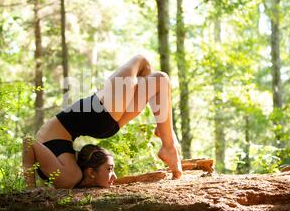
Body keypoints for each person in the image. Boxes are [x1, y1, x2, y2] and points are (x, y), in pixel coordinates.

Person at [22, 54, 183, 189]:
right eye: (109, 169)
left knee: (158, 79)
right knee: (146, 65)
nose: (114, 175)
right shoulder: (71, 177)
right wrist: (30, 188)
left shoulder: (71, 176)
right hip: (97, 116)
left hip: (100, 121)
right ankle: (167, 140)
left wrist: (30, 189)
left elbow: (29, 143)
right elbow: (29, 142)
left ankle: (166, 136)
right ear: (91, 173)